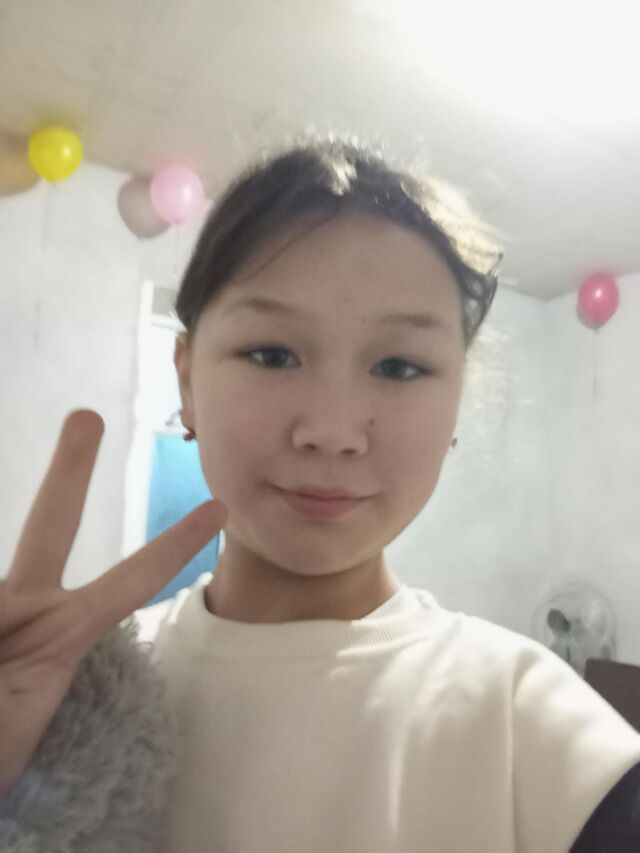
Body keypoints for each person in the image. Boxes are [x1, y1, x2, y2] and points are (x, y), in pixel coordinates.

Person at [1, 135, 639, 852]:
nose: (333, 432)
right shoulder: (70, 696)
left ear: (456, 404)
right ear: (187, 379)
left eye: (398, 367)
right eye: (272, 354)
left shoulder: (543, 737)